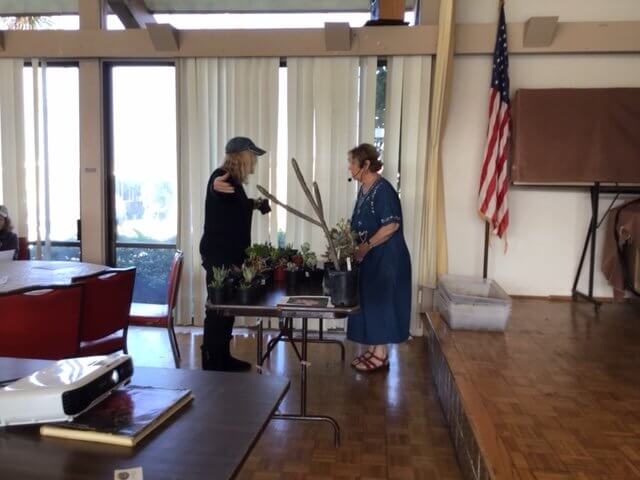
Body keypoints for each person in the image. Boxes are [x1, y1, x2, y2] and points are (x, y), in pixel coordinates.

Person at [199, 137, 271, 372]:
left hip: (230, 257)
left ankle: (223, 356)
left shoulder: (235, 185)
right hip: (219, 258)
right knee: (218, 309)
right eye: (253, 157)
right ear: (242, 156)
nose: (254, 163)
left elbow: (233, 206)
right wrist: (214, 187)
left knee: (226, 309)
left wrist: (256, 204)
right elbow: (217, 189)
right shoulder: (221, 176)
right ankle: (211, 361)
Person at [346, 143, 412, 372]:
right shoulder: (364, 189)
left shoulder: (383, 190)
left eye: (352, 163)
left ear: (365, 165)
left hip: (387, 259)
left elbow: (391, 225)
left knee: (381, 303)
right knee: (371, 302)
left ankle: (381, 356)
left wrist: (367, 246)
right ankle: (375, 349)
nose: (349, 168)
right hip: (372, 259)